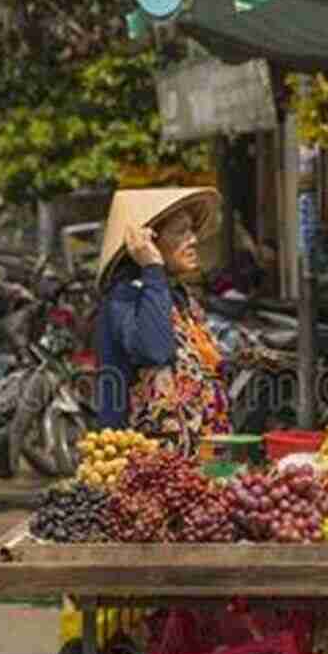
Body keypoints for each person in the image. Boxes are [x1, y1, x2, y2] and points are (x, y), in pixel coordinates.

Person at [94, 187, 230, 457]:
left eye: (192, 230)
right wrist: (152, 266)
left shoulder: (177, 296)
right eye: (180, 232)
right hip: (147, 467)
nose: (193, 240)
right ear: (150, 241)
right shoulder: (126, 296)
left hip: (198, 462)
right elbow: (155, 351)